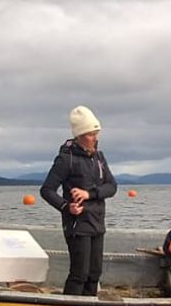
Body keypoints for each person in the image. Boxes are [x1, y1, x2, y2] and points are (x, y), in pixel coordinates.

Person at [40, 105, 118, 295]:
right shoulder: (67, 159)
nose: (95, 138)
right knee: (80, 274)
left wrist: (89, 194)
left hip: (97, 223)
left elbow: (112, 187)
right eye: (91, 134)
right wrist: (67, 207)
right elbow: (47, 190)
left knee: (94, 273)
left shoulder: (99, 157)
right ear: (80, 135)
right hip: (77, 225)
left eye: (96, 133)